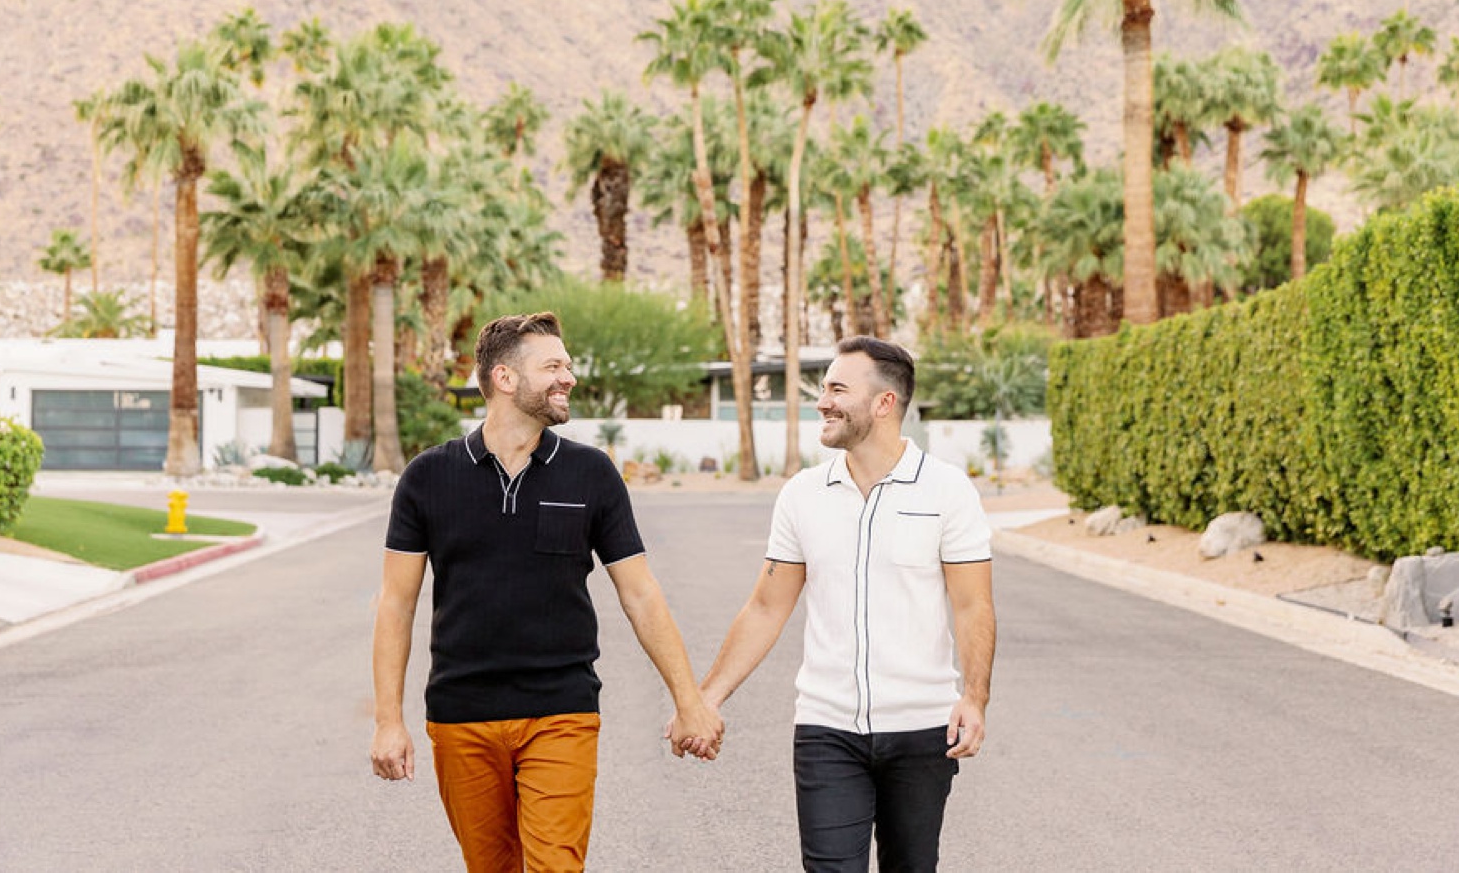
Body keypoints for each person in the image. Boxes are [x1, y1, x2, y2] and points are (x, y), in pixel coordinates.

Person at [370, 310, 724, 871]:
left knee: (557, 865)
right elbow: (396, 602)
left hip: (561, 711)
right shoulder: (427, 477)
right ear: (505, 378)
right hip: (462, 714)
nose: (569, 377)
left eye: (567, 364)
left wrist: (689, 701)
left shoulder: (591, 473)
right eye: (553, 365)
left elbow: (641, 594)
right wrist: (389, 720)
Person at [675, 336, 994, 873]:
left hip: (921, 729)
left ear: (884, 404)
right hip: (827, 729)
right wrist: (706, 698)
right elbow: (765, 609)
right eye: (824, 388)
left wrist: (976, 699)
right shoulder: (803, 494)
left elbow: (973, 606)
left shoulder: (947, 491)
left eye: (837, 389)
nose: (822, 401)